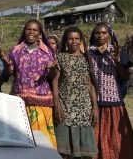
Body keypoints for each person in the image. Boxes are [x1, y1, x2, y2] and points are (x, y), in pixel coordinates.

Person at [9, 19, 56, 147]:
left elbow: (51, 76)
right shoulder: (15, 51)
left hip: (41, 99)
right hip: (19, 100)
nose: (31, 32)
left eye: (35, 30)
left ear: (39, 33)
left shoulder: (47, 52)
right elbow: (10, 73)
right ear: (24, 31)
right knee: (20, 137)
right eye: (28, 29)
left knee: (42, 139)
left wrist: (53, 69)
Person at [52, 26, 98, 159]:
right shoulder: (60, 57)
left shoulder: (86, 59)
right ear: (66, 41)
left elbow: (90, 85)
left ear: (81, 40)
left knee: (87, 153)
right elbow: (55, 82)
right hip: (65, 108)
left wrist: (95, 107)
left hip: (84, 108)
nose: (73, 41)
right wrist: (57, 104)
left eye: (76, 38)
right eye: (70, 39)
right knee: (64, 152)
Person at [89, 22, 133, 159]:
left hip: (114, 104)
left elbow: (126, 76)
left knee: (115, 141)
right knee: (94, 140)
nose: (101, 35)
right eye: (97, 33)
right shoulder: (88, 53)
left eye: (104, 33)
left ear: (110, 34)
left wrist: (117, 60)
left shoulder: (118, 52)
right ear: (93, 34)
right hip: (93, 104)